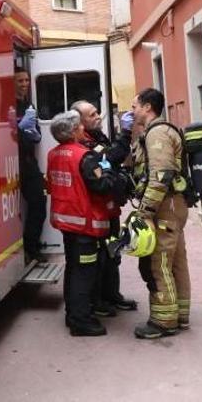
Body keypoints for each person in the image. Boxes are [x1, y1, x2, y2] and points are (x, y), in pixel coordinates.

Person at [47, 110, 119, 336]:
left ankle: (72, 314)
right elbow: (102, 186)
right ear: (71, 131)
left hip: (67, 223)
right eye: (79, 126)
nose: (82, 129)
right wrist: (109, 172)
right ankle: (80, 321)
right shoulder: (85, 156)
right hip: (85, 225)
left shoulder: (53, 154)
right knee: (84, 273)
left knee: (73, 269)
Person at [129, 88, 191, 339]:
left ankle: (163, 322)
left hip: (165, 207)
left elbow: (160, 176)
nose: (131, 111)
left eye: (134, 106)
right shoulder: (158, 131)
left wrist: (145, 211)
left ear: (147, 107)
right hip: (174, 206)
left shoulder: (158, 133)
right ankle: (180, 315)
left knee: (159, 263)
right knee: (177, 263)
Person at [71, 100, 138, 316]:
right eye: (91, 115)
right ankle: (98, 301)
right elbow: (110, 158)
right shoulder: (85, 144)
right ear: (80, 122)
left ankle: (112, 295)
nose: (98, 116)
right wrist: (125, 133)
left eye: (97, 112)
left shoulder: (98, 136)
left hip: (110, 209)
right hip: (97, 211)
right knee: (100, 257)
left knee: (113, 252)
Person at [15, 68, 46, 263]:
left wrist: (34, 135)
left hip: (28, 163)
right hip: (13, 162)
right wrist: (18, 130)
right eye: (20, 81)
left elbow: (37, 134)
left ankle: (31, 247)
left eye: (26, 80)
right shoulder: (6, 105)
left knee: (39, 205)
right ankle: (27, 250)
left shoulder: (29, 105)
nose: (25, 83)